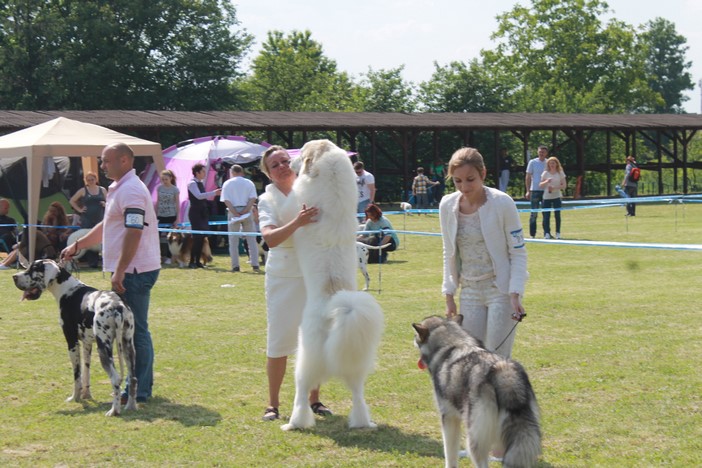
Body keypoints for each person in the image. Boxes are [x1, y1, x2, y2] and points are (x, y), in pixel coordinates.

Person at [60, 142, 161, 404]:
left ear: (125, 160)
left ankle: (139, 390)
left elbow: (134, 231)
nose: (102, 166)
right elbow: (107, 225)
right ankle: (137, 385)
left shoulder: (131, 191)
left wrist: (121, 270)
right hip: (130, 269)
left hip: (135, 271)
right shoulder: (119, 188)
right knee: (129, 329)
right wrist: (78, 244)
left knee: (136, 330)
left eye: (106, 161)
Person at [257, 145, 331, 421]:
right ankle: (273, 404)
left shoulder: (309, 188)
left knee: (314, 337)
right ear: (268, 173)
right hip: (282, 276)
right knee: (278, 341)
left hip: (312, 272)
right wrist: (298, 223)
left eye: (285, 161)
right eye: (275, 165)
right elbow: (270, 239)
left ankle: (314, 399)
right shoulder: (266, 200)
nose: (282, 167)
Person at [440, 147, 527, 359]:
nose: (464, 187)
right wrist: (449, 293)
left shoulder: (502, 202)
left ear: (483, 174)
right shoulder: (446, 205)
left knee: (497, 359)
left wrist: (515, 293)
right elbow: (448, 252)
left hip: (500, 290)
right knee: (471, 358)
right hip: (469, 290)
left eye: (470, 179)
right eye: (457, 181)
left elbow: (518, 252)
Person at [220, 164, 259, 273]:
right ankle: (255, 264)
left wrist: (234, 212)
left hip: (233, 212)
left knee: (233, 241)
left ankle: (235, 266)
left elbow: (226, 200)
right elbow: (253, 198)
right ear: (242, 172)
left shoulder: (227, 183)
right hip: (247, 211)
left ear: (232, 172)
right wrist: (246, 210)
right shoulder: (249, 183)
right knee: (251, 239)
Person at [187, 163, 221, 269]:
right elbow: (198, 196)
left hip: (202, 212)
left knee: (202, 238)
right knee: (197, 238)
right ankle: (191, 261)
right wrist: (213, 193)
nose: (204, 173)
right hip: (195, 213)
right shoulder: (192, 183)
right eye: (203, 171)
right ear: (197, 173)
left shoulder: (200, 183)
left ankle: (198, 261)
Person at [539, 156, 566, 239]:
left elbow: (564, 185)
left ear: (556, 164)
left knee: (557, 215)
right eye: (550, 163)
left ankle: (558, 232)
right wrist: (546, 181)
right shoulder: (545, 173)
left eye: (553, 163)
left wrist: (555, 188)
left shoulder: (560, 173)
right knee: (546, 215)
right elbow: (540, 185)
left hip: (557, 196)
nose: (552, 165)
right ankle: (547, 233)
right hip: (546, 197)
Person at [156, 169, 180, 264]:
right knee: (157, 237)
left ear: (170, 178)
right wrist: (155, 214)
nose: (164, 181)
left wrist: (178, 218)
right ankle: (159, 256)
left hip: (171, 215)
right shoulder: (159, 188)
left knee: (170, 238)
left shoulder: (175, 189)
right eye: (163, 179)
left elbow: (177, 204)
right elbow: (157, 202)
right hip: (161, 215)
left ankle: (171, 257)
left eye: (166, 179)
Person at [525, 145, 549, 238]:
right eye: (540, 151)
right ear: (537, 152)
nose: (541, 153)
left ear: (546, 153)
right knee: (534, 213)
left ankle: (546, 233)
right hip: (534, 190)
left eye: (543, 152)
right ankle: (532, 234)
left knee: (546, 213)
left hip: (545, 190)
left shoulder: (548, 162)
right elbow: (528, 176)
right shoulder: (532, 162)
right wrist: (527, 190)